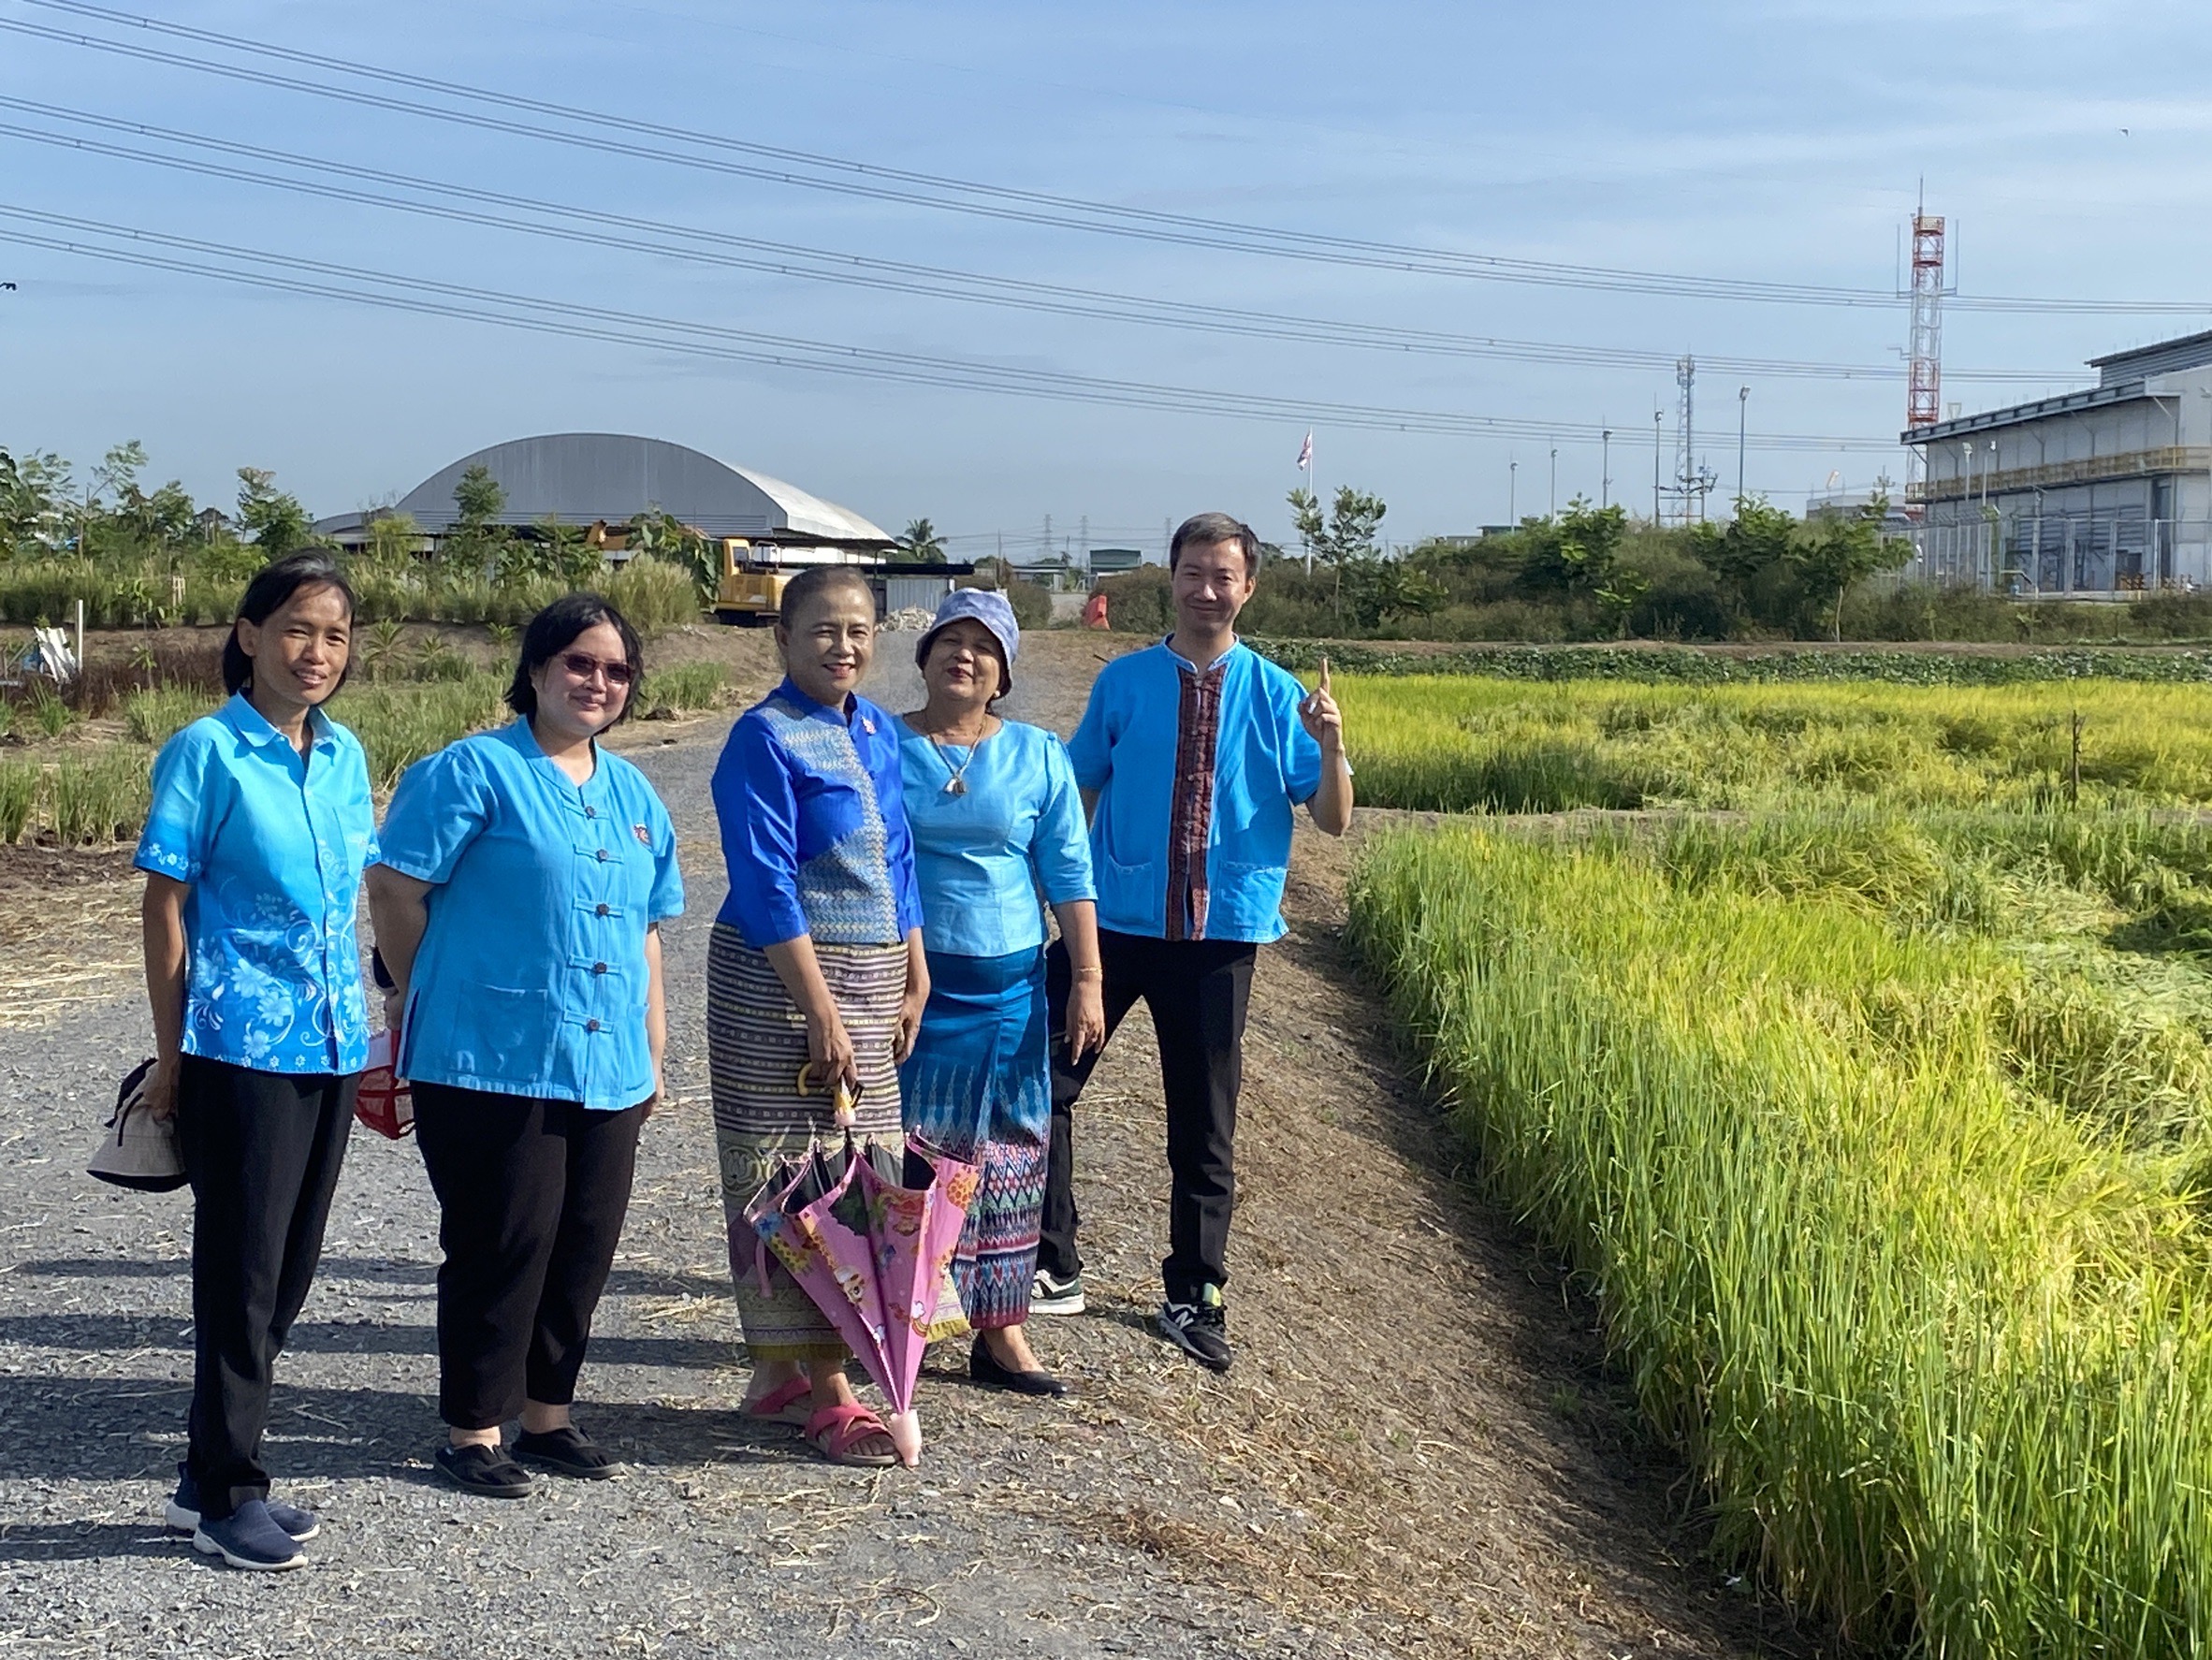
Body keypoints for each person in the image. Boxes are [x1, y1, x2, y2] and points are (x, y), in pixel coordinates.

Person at [366, 593, 681, 1498]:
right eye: (579, 662)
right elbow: (393, 890)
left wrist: (653, 1051)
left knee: (584, 1243)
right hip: (490, 1052)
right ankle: (473, 1428)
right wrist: (421, 987)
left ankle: (548, 1416)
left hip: (609, 1061)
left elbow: (648, 931)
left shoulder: (635, 794)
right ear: (537, 669)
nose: (597, 682)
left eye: (616, 670)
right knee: (503, 1238)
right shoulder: (472, 771)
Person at [1038, 512, 1351, 1373]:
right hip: (1115, 924)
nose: (1207, 590)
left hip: (1219, 937)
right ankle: (1052, 1261)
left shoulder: (1279, 694)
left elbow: (1332, 819)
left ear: (1248, 587)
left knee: (1204, 1124)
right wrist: (1060, 899)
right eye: (1193, 573)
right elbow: (1077, 793)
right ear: (1170, 577)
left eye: (1224, 576)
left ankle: (1195, 1290)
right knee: (1040, 1081)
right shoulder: (1125, 682)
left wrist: (1332, 746)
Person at [137, 549, 374, 1571]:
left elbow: (355, 899)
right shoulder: (207, 751)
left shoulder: (346, 754)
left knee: (290, 1269)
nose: (316, 652)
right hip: (238, 1044)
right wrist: (171, 1055)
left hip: (333, 1041)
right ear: (249, 636)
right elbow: (165, 907)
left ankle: (206, 1474)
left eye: (334, 635)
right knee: (241, 1271)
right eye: (296, 630)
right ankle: (231, 1490)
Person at [707, 563, 935, 1467]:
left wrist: (916, 972)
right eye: (823, 630)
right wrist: (821, 1011)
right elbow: (765, 881)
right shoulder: (761, 737)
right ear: (783, 638)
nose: (844, 646)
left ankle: (777, 1377)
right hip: (778, 982)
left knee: (863, 1169)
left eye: (859, 630)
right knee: (794, 1174)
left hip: (876, 977)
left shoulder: (877, 728)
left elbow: (901, 859)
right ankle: (830, 1388)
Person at [895, 590, 1104, 1398]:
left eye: (985, 647)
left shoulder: (1038, 754)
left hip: (1013, 991)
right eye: (951, 640)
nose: (966, 656)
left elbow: (1069, 872)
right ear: (924, 657)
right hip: (913, 990)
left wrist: (1086, 979)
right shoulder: (882, 745)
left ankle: (1001, 1329)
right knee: (915, 1154)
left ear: (1004, 673)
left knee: (1012, 1156)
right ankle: (905, 1317)